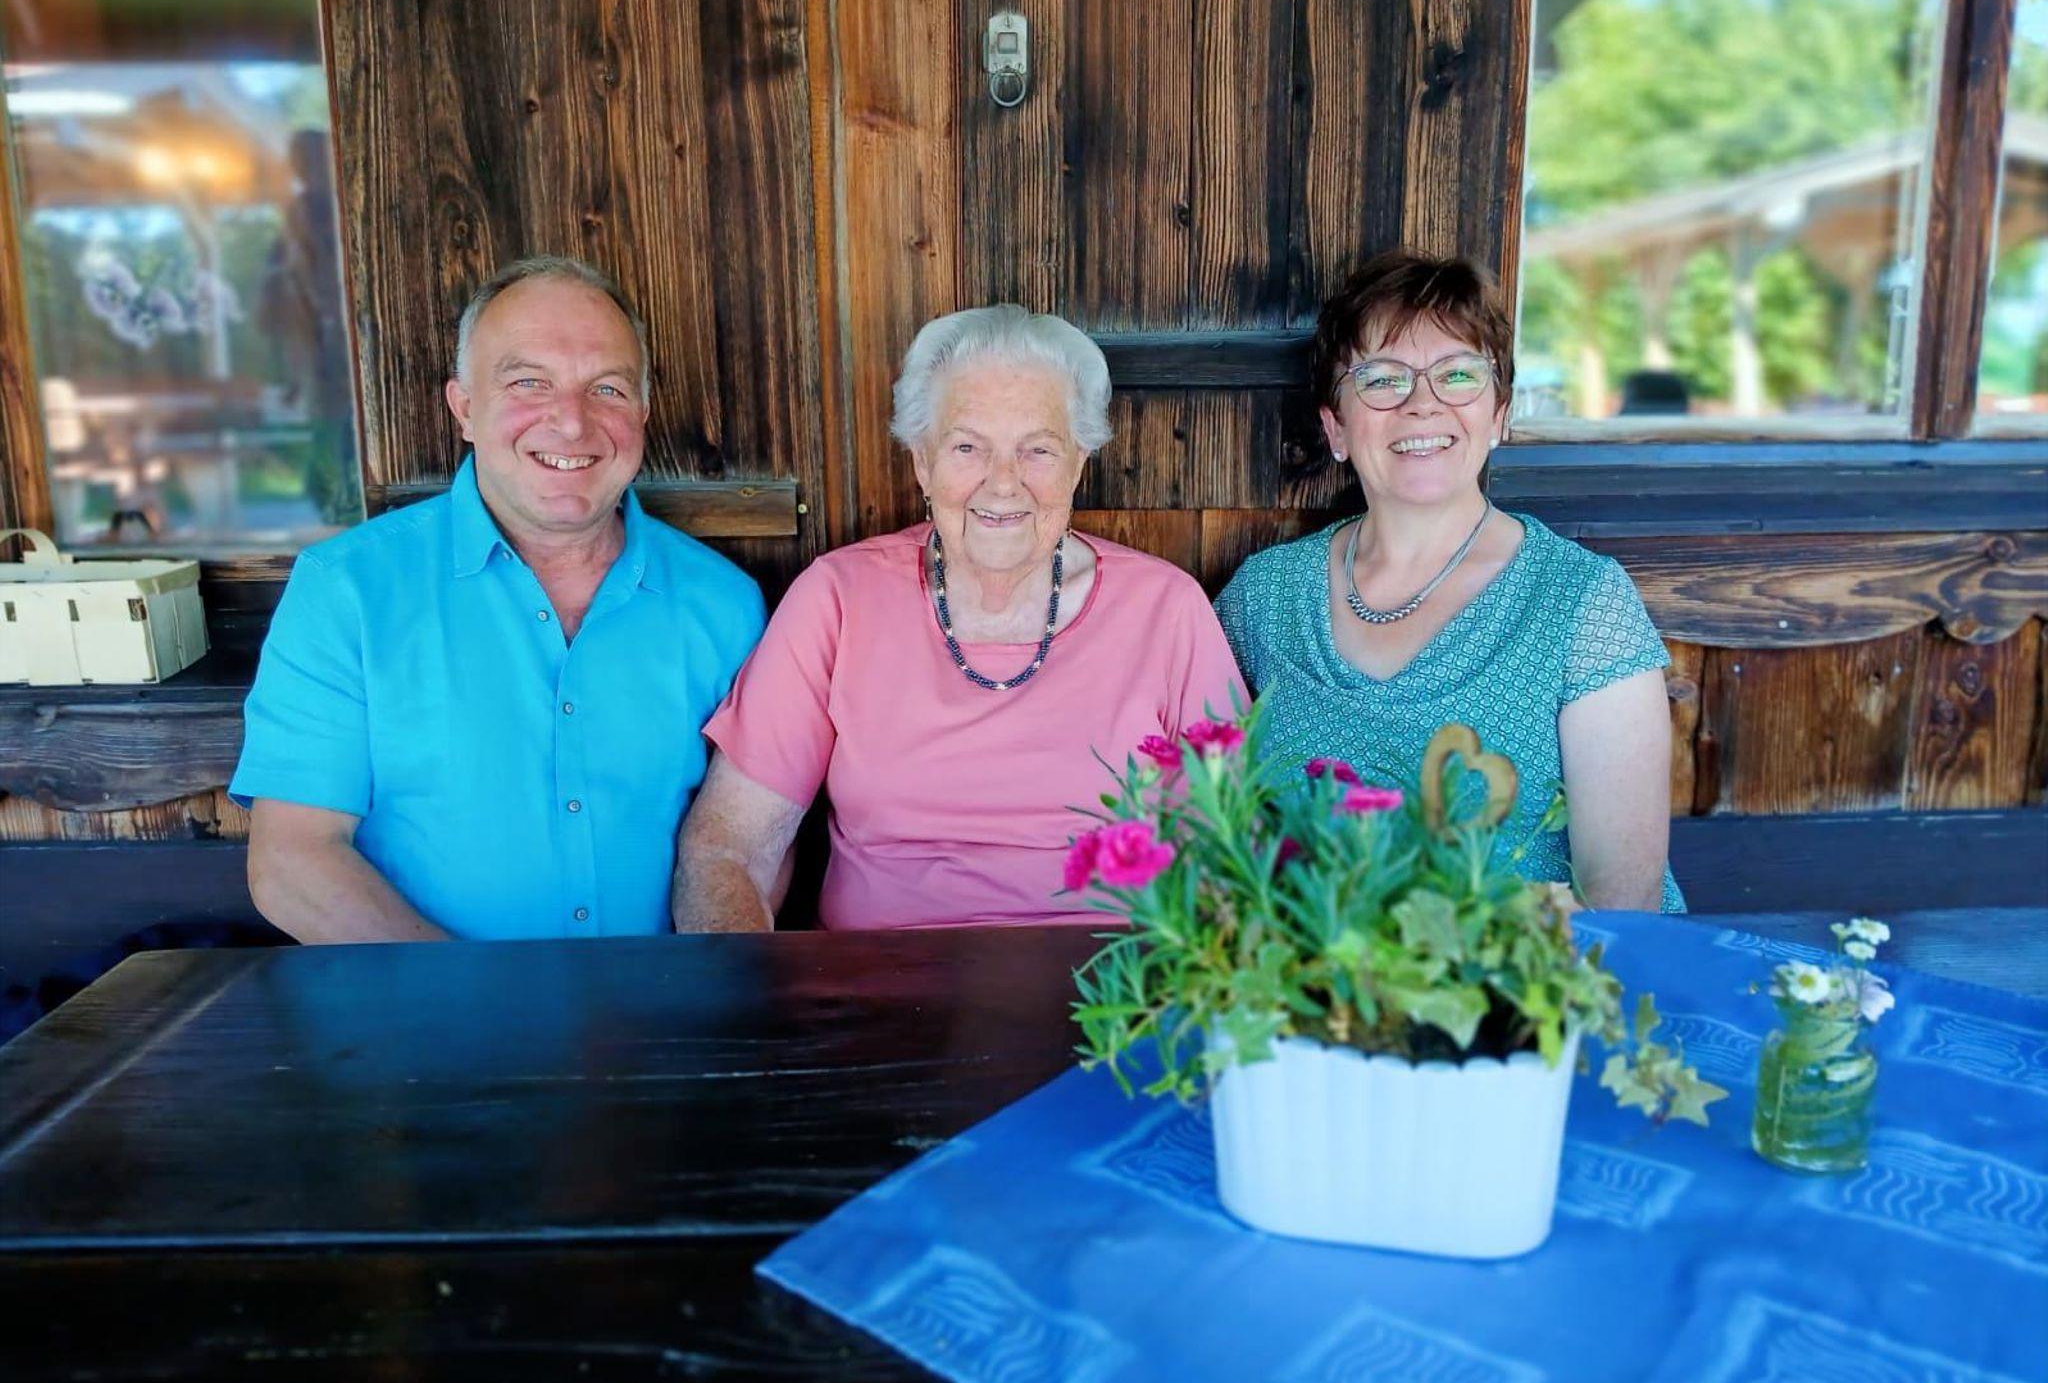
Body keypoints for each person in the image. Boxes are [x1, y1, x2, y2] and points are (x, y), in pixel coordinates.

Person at [233, 256, 764, 941]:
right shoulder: (348, 591)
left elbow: (747, 847)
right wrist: (472, 999)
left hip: (662, 1006)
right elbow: (292, 862)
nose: (570, 423)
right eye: (528, 382)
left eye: (606, 388)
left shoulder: (724, 604)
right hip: (427, 1009)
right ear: (464, 408)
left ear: (643, 410)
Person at [675, 305, 1242, 931]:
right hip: (884, 984)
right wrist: (749, 992)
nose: (1003, 484)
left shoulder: (1165, 610)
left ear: (1079, 462)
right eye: (968, 447)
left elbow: (1232, 859)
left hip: (1109, 982)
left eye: (1037, 450)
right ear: (923, 461)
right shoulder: (839, 599)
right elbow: (728, 849)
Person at [1215, 250, 1680, 911]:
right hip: (1307, 966)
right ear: (1335, 427)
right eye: (1382, 380)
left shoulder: (1581, 601)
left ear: (1498, 415)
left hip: (1532, 969)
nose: (1422, 405)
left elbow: (1622, 903)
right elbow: (1214, 828)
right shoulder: (1263, 598)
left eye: (1458, 375)